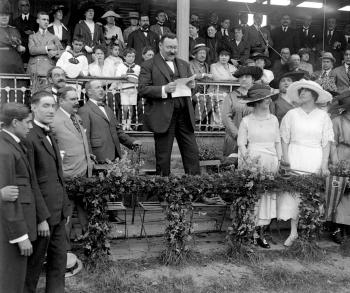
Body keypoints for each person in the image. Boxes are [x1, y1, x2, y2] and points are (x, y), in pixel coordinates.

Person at [24, 91, 71, 293]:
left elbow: (58, 177)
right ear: (33, 107)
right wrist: (42, 217)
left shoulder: (49, 132)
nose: (51, 110)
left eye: (53, 106)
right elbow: (31, 181)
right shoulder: (29, 135)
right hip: (42, 216)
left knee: (59, 261)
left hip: (59, 213)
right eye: (45, 105)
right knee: (33, 266)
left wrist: (65, 209)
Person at [0, 103, 48, 293]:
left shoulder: (14, 146)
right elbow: (7, 200)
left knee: (20, 281)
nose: (30, 127)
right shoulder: (4, 151)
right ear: (14, 122)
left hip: (23, 225)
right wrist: (20, 236)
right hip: (12, 233)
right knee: (12, 282)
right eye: (27, 122)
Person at [279, 80, 333, 246]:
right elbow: (284, 138)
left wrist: (324, 164)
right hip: (295, 155)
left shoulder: (323, 116)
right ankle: (293, 232)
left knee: (312, 194)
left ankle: (309, 231)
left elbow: (326, 142)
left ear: (314, 95)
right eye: (300, 90)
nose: (302, 93)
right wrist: (286, 158)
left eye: (306, 91)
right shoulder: (292, 114)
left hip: (314, 157)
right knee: (294, 194)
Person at [138, 33, 200, 176]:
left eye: (175, 47)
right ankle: (163, 193)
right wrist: (163, 89)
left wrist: (193, 85)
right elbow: (142, 89)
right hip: (163, 115)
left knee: (192, 153)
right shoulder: (149, 64)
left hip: (184, 114)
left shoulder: (184, 64)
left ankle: (196, 191)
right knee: (163, 157)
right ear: (160, 46)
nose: (173, 51)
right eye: (169, 47)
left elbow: (192, 89)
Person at [238, 84, 281, 248]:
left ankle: (262, 233)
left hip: (270, 161)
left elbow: (277, 141)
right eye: (265, 98)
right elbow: (242, 144)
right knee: (254, 197)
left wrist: (279, 160)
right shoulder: (246, 121)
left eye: (269, 98)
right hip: (254, 161)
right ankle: (250, 232)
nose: (268, 100)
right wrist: (248, 164)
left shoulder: (274, 119)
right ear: (256, 102)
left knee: (267, 197)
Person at [51, 86, 93, 248]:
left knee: (84, 208)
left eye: (77, 98)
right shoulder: (54, 120)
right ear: (61, 101)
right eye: (72, 99)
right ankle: (63, 252)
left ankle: (87, 243)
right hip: (67, 173)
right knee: (66, 213)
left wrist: (88, 157)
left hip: (83, 171)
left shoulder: (76, 117)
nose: (77, 102)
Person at [78, 80, 141, 163]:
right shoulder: (84, 110)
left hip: (114, 156)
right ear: (89, 92)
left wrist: (132, 142)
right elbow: (85, 137)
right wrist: (89, 157)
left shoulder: (108, 109)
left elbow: (117, 131)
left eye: (102, 87)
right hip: (98, 156)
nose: (101, 89)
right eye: (97, 87)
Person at [222, 66, 263, 156]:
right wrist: (238, 135)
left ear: (253, 79)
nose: (243, 79)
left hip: (254, 140)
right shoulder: (230, 96)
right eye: (241, 77)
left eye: (247, 76)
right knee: (232, 166)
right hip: (234, 139)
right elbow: (226, 118)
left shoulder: (260, 97)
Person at [329, 90, 350, 243]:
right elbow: (333, 144)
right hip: (342, 156)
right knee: (341, 190)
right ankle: (337, 227)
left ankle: (348, 226)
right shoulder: (338, 120)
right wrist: (335, 162)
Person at [27, 11, 64, 77]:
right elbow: (32, 50)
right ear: (38, 21)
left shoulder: (54, 37)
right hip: (35, 69)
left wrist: (55, 53)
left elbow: (61, 51)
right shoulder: (32, 36)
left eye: (47, 20)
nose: (46, 22)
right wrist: (47, 48)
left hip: (48, 68)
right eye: (44, 19)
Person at [209, 45, 237, 126]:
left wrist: (227, 78)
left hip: (230, 91)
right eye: (222, 55)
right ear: (218, 56)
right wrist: (230, 78)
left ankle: (229, 125)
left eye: (226, 56)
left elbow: (237, 77)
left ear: (229, 57)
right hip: (217, 91)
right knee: (221, 105)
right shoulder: (214, 66)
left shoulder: (233, 67)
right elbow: (216, 78)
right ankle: (217, 126)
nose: (224, 57)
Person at [113, 48, 140, 130]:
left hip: (133, 90)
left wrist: (132, 79)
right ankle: (124, 123)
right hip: (124, 89)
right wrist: (122, 76)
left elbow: (138, 78)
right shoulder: (121, 66)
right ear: (124, 57)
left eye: (133, 56)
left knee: (131, 107)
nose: (131, 58)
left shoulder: (138, 67)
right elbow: (117, 76)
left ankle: (129, 123)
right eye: (129, 56)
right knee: (125, 108)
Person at [189, 43, 213, 126]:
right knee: (202, 99)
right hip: (193, 91)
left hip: (205, 91)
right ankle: (196, 122)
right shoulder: (190, 64)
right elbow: (192, 76)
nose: (203, 55)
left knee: (212, 101)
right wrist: (204, 75)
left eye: (204, 53)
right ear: (195, 55)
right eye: (200, 53)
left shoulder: (206, 65)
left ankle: (198, 120)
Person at [0, 2, 26, 74]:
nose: (4, 17)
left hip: (15, 66)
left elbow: (19, 44)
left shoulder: (14, 30)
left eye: (6, 15)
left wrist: (21, 48)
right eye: (2, 15)